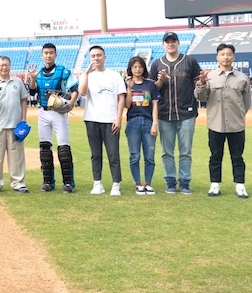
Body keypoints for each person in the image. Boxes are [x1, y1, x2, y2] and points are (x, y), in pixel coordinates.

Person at [195, 43, 252, 198]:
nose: (226, 57)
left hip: (236, 125)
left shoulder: (242, 78)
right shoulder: (209, 77)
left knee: (237, 157)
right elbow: (200, 97)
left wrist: (239, 115)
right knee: (215, 156)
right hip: (215, 124)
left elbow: (246, 102)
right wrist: (201, 84)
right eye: (222, 54)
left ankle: (240, 185)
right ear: (217, 57)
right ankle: (214, 185)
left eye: (228, 54)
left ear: (233, 57)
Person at [149, 31, 202, 194]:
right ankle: (170, 181)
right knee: (167, 151)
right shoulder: (157, 64)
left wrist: (202, 82)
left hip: (187, 113)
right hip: (164, 113)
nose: (170, 44)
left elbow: (197, 84)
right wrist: (161, 80)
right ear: (163, 44)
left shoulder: (190, 61)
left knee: (185, 151)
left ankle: (185, 181)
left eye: (173, 41)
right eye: (167, 41)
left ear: (178, 43)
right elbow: (152, 90)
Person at [27, 43, 78, 193]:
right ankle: (48, 181)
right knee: (44, 148)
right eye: (46, 53)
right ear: (42, 55)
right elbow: (32, 92)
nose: (48, 55)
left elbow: (74, 90)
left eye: (51, 53)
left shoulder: (63, 71)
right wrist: (32, 78)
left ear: (55, 54)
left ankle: (68, 183)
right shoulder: (38, 73)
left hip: (59, 113)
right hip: (43, 112)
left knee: (63, 148)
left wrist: (71, 103)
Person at [79, 45, 126, 196]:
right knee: (95, 154)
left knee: (113, 154)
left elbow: (121, 98)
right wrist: (86, 74)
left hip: (110, 120)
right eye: (93, 56)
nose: (96, 58)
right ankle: (97, 183)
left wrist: (118, 118)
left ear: (105, 57)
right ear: (89, 58)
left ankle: (116, 184)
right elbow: (82, 92)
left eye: (99, 55)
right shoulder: (87, 76)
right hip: (92, 119)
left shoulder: (114, 76)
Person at [0, 56, 29, 194]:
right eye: (1, 65)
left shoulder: (17, 82)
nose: (4, 67)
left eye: (6, 65)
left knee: (17, 156)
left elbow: (24, 100)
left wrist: (23, 119)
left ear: (10, 66)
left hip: (15, 125)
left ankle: (18, 183)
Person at [124, 56, 160, 195]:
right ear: (130, 69)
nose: (137, 69)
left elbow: (155, 105)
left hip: (148, 122)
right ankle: (138, 183)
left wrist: (155, 123)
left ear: (144, 68)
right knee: (135, 155)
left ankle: (148, 183)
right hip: (133, 123)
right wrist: (129, 88)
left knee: (149, 155)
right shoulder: (127, 84)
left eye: (140, 67)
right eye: (135, 67)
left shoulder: (150, 85)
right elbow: (127, 105)